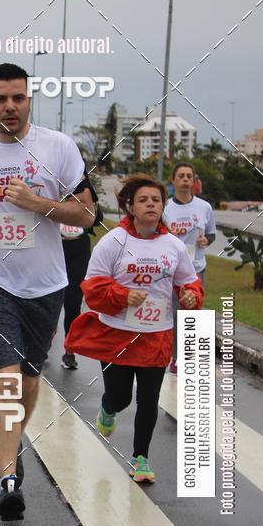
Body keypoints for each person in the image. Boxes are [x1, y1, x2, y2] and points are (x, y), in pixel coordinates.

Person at [0, 62, 95, 520]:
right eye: (1, 99)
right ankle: (8, 479)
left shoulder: (57, 147)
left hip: (45, 284)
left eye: (18, 98)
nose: (10, 106)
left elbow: (87, 216)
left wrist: (38, 203)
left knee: (28, 382)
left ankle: (13, 441)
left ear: (29, 100)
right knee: (5, 378)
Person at [65, 174, 204, 483]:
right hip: (116, 334)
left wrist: (190, 293)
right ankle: (107, 406)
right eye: (143, 200)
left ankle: (140, 457)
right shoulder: (114, 242)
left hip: (156, 335)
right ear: (129, 206)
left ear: (162, 206)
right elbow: (94, 288)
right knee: (121, 397)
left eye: (156, 200)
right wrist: (123, 296)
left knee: (149, 399)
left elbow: (187, 279)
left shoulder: (173, 245)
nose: (150, 204)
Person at [163, 162, 215, 373]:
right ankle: (174, 358)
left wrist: (206, 241)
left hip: (196, 268)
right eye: (181, 176)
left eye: (189, 176)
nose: (185, 179)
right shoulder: (165, 207)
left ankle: (188, 359)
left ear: (194, 181)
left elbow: (211, 233)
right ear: (173, 180)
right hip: (171, 270)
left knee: (192, 311)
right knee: (174, 314)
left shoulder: (204, 207)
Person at [60, 193, 103, 369]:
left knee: (72, 304)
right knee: (50, 301)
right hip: (54, 249)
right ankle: (42, 341)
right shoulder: (51, 187)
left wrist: (92, 202)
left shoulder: (85, 191)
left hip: (79, 251)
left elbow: (97, 220)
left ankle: (69, 351)